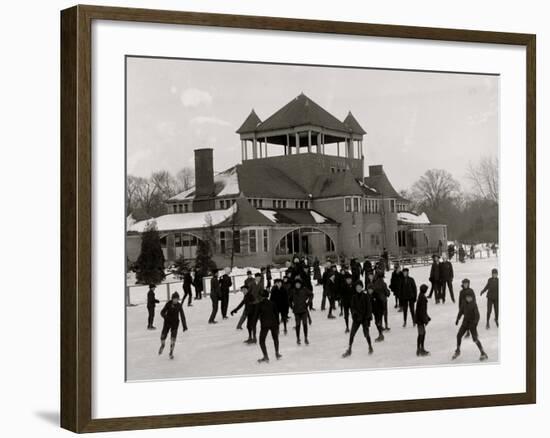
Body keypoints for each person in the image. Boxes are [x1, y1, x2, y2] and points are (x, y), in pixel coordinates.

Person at [452, 279, 488, 361]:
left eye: (470, 297)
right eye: (467, 297)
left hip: (472, 323)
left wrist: (474, 324)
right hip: (465, 322)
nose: (469, 298)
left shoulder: (474, 305)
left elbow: (477, 316)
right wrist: (458, 319)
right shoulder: (464, 303)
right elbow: (461, 311)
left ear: (472, 297)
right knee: (458, 335)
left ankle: (483, 352)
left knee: (475, 339)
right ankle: (458, 350)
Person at [342, 281, 374, 357]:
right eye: (357, 287)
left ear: (362, 287)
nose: (358, 288)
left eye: (360, 287)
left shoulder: (366, 296)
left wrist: (367, 318)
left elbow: (369, 308)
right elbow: (352, 308)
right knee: (352, 334)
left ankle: (370, 346)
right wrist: (354, 315)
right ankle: (349, 349)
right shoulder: (353, 297)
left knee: (366, 334)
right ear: (355, 288)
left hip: (364, 318)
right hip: (356, 319)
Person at [158, 292, 188, 359]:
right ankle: (162, 345)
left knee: (173, 338)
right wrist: (165, 317)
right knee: (163, 336)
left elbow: (182, 316)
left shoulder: (179, 305)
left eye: (177, 299)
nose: (176, 300)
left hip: (175, 323)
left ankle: (171, 352)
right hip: (167, 323)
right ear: (172, 299)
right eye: (174, 299)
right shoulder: (168, 304)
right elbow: (162, 312)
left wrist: (184, 326)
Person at [257, 290, 282, 363]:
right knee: (275, 338)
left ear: (261, 296)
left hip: (265, 325)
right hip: (274, 324)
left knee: (262, 341)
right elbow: (277, 315)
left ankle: (266, 356)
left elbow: (256, 316)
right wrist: (278, 325)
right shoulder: (273, 303)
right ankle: (277, 353)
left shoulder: (259, 304)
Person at [289, 278, 313, 345]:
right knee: (298, 325)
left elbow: (311, 295)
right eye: (296, 284)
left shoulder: (304, 289)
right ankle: (298, 338)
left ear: (300, 284)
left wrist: (308, 303)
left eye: (298, 284)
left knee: (305, 324)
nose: (297, 285)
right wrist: (291, 306)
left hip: (304, 309)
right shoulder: (293, 291)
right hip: (296, 310)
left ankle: (306, 338)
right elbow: (289, 299)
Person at [371, 272, 390, 340]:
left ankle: (381, 326)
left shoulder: (375, 284)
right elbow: (387, 292)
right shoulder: (383, 283)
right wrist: (388, 293)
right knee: (385, 313)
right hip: (384, 300)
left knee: (379, 315)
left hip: (377, 302)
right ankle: (386, 325)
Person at [415, 284, 431, 356]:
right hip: (420, 320)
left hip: (419, 319)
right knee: (422, 334)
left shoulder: (420, 296)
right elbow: (422, 311)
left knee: (421, 334)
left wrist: (427, 317)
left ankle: (420, 349)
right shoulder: (422, 298)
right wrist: (425, 319)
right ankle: (420, 349)